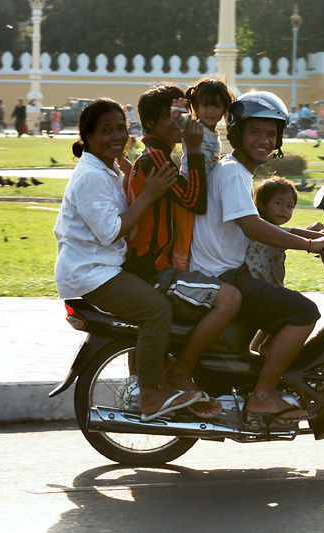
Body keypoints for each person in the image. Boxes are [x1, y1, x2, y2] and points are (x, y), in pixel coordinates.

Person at [189, 91, 324, 422]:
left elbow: (261, 223)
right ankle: (263, 394)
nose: (264, 140)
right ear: (237, 134)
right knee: (304, 311)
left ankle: (264, 377)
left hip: (226, 270)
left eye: (271, 133)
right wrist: (309, 246)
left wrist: (315, 235)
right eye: (255, 132)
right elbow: (252, 226)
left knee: (284, 304)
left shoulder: (237, 171)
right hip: (222, 275)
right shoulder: (233, 172)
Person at [53, 98, 206, 420]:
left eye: (121, 127)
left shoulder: (104, 168)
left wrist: (127, 169)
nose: (117, 136)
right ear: (88, 137)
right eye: (106, 130)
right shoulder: (91, 177)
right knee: (156, 310)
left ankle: (146, 382)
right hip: (92, 273)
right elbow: (110, 231)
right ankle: (149, 394)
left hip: (101, 266)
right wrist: (149, 194)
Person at [124, 84, 241, 418]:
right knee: (229, 298)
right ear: (154, 122)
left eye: (182, 114)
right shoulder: (157, 158)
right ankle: (180, 372)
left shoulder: (153, 155)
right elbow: (195, 200)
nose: (182, 123)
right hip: (155, 268)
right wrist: (191, 148)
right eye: (175, 116)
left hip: (152, 264)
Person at [245, 176, 324, 356]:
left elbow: (291, 236)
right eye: (279, 203)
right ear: (261, 205)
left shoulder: (270, 229)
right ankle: (269, 351)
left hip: (267, 286)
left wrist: (315, 230)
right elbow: (291, 234)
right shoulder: (263, 229)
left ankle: (256, 350)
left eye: (290, 206)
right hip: (259, 288)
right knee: (295, 312)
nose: (285, 210)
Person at [183, 76, 235, 175]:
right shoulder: (193, 128)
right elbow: (178, 120)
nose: (211, 111)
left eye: (217, 106)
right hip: (190, 183)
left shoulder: (215, 135)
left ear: (225, 109)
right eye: (205, 105)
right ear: (196, 106)